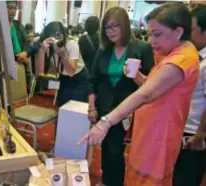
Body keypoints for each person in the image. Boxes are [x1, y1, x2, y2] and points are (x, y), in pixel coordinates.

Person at [79, 3, 200, 186]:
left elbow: (146, 93)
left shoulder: (179, 60)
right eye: (150, 33)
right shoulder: (171, 53)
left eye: (157, 34)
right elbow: (151, 85)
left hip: (157, 132)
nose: (152, 40)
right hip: (144, 125)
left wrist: (106, 122)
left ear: (178, 31)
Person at [86, 7, 154, 186]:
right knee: (106, 147)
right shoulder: (104, 50)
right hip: (104, 106)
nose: (111, 31)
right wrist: (92, 107)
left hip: (129, 110)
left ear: (125, 25)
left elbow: (151, 87)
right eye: (107, 27)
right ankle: (107, 180)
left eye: (115, 26)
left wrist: (137, 75)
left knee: (116, 149)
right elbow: (92, 80)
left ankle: (111, 182)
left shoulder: (142, 48)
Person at [173, 5, 206, 186]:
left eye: (191, 30)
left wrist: (200, 135)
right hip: (185, 128)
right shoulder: (194, 57)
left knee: (186, 179)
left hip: (194, 134)